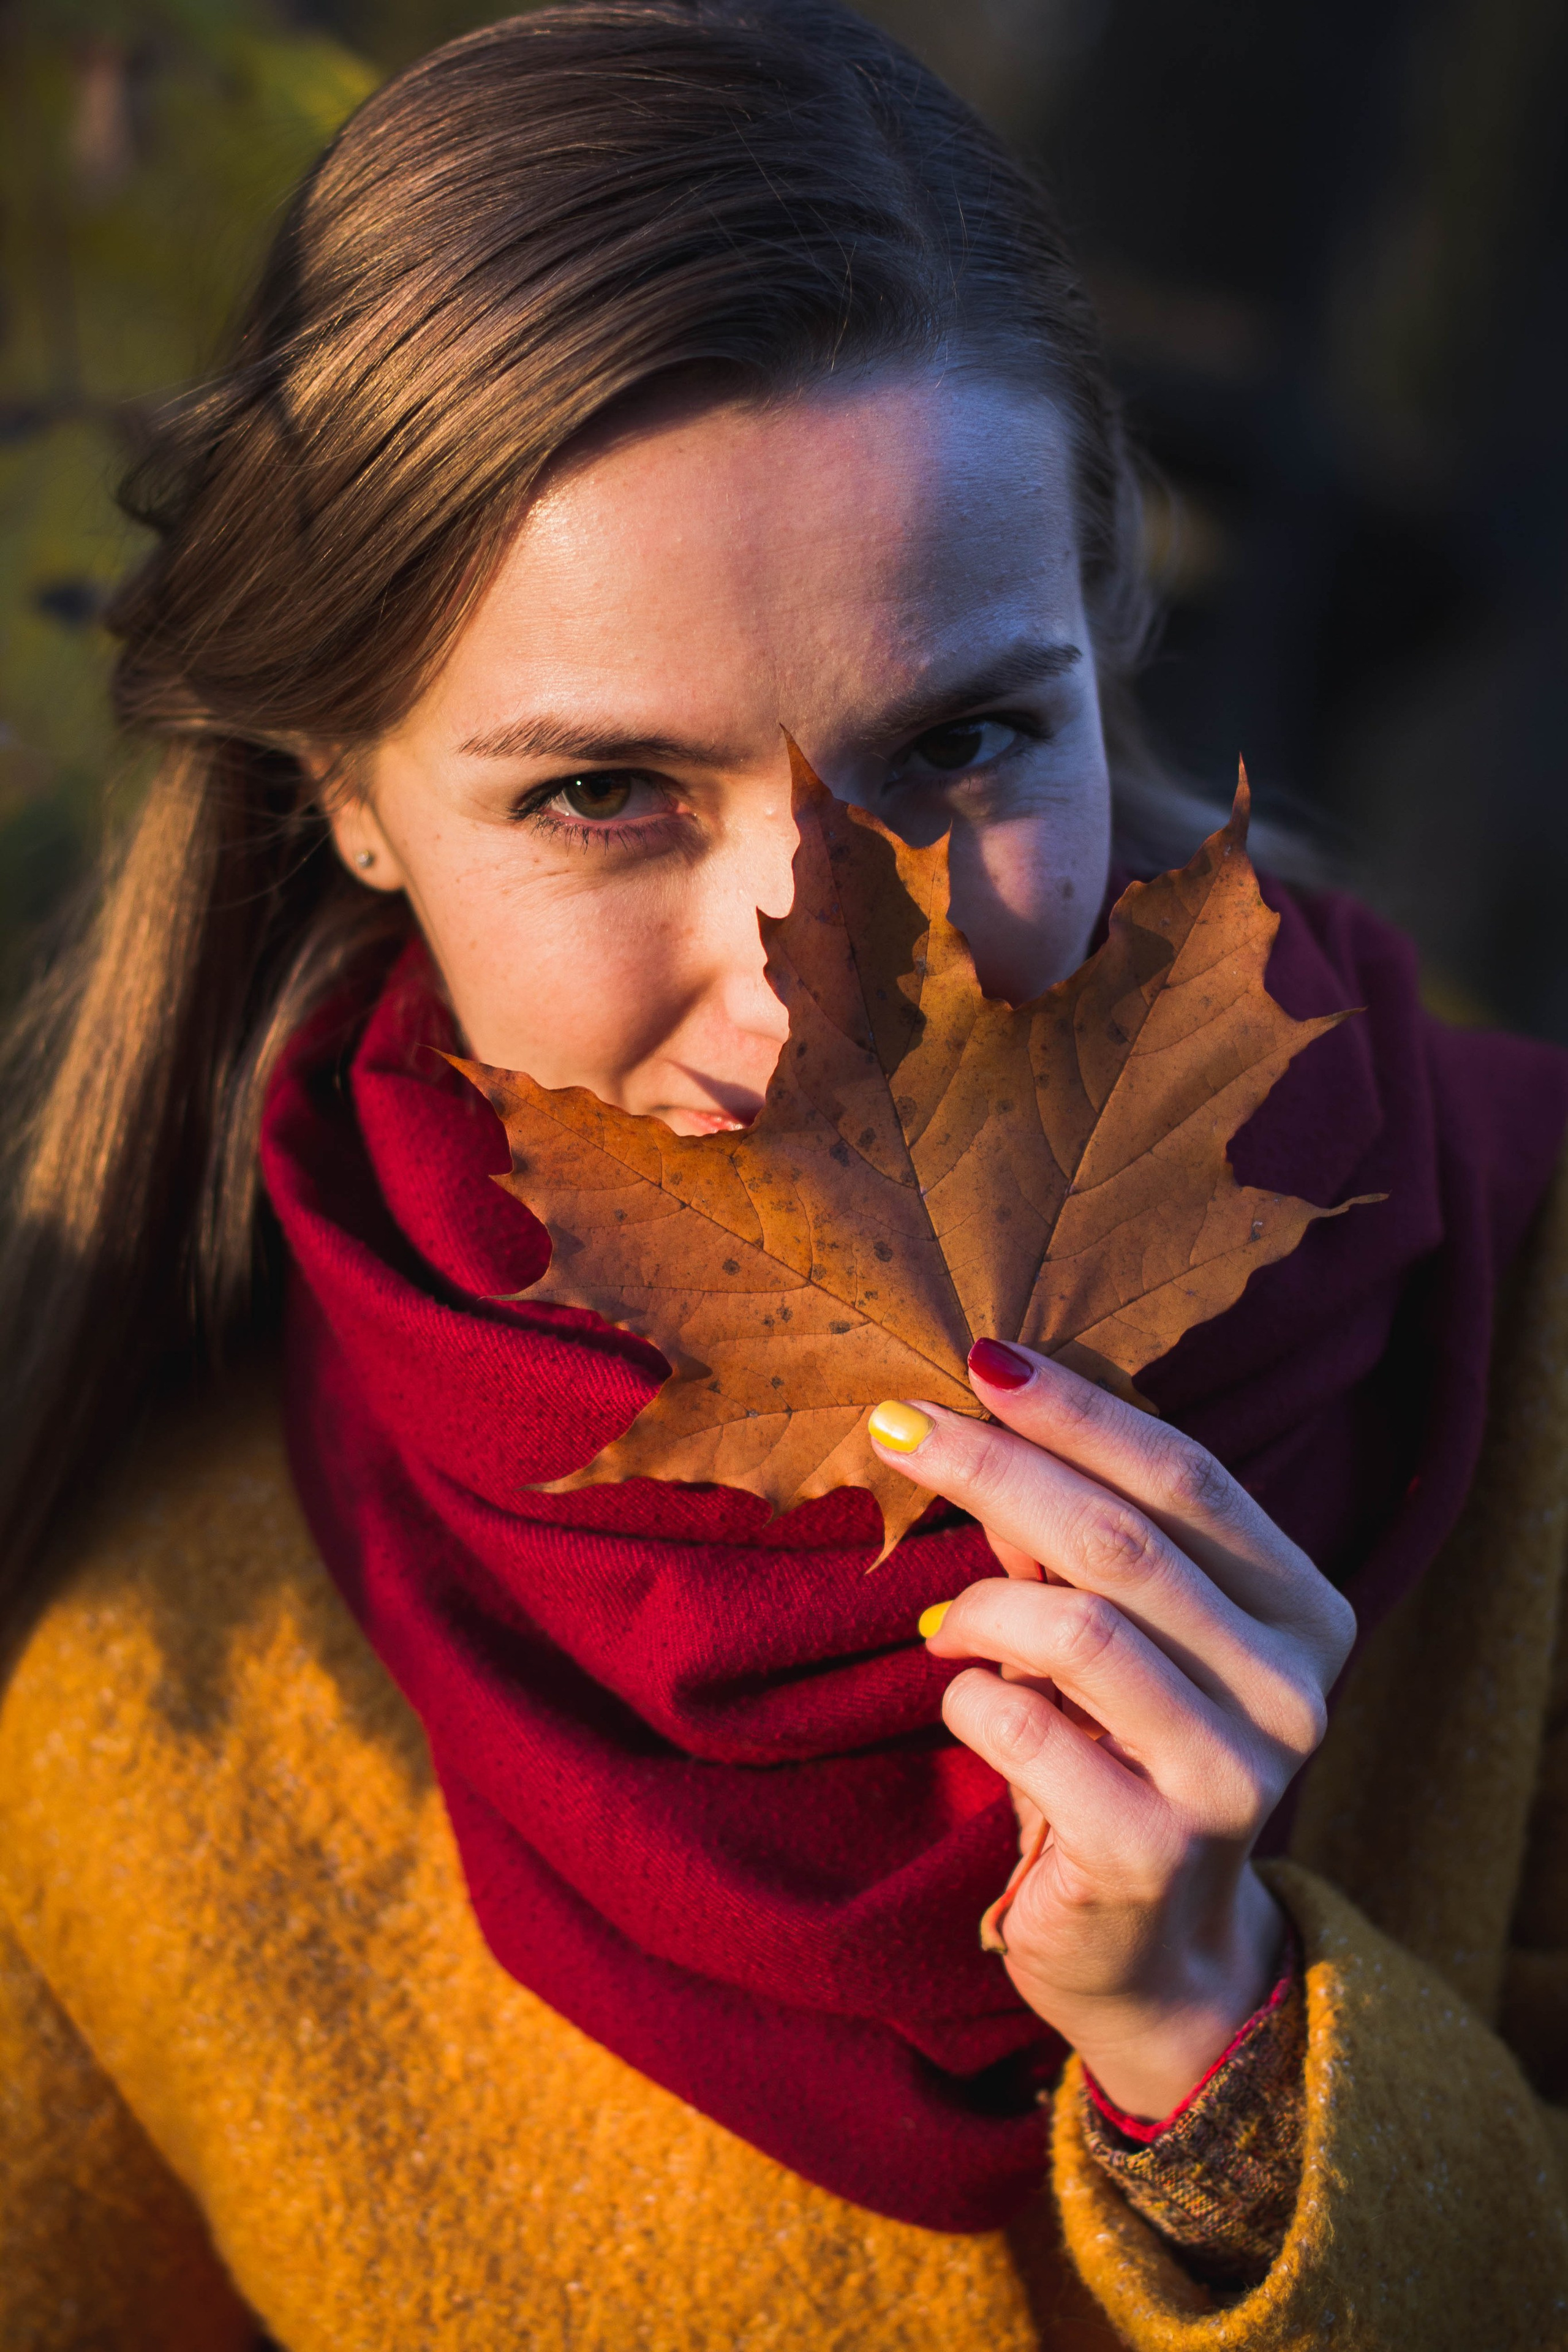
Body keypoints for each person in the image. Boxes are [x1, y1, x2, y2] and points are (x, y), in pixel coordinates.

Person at [2, 6, 1566, 2346]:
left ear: (1102, 624)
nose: (803, 981)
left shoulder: (1531, 1328)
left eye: (956, 741)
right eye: (603, 793)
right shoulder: (134, 1707)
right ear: (342, 784)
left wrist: (1220, 2055)